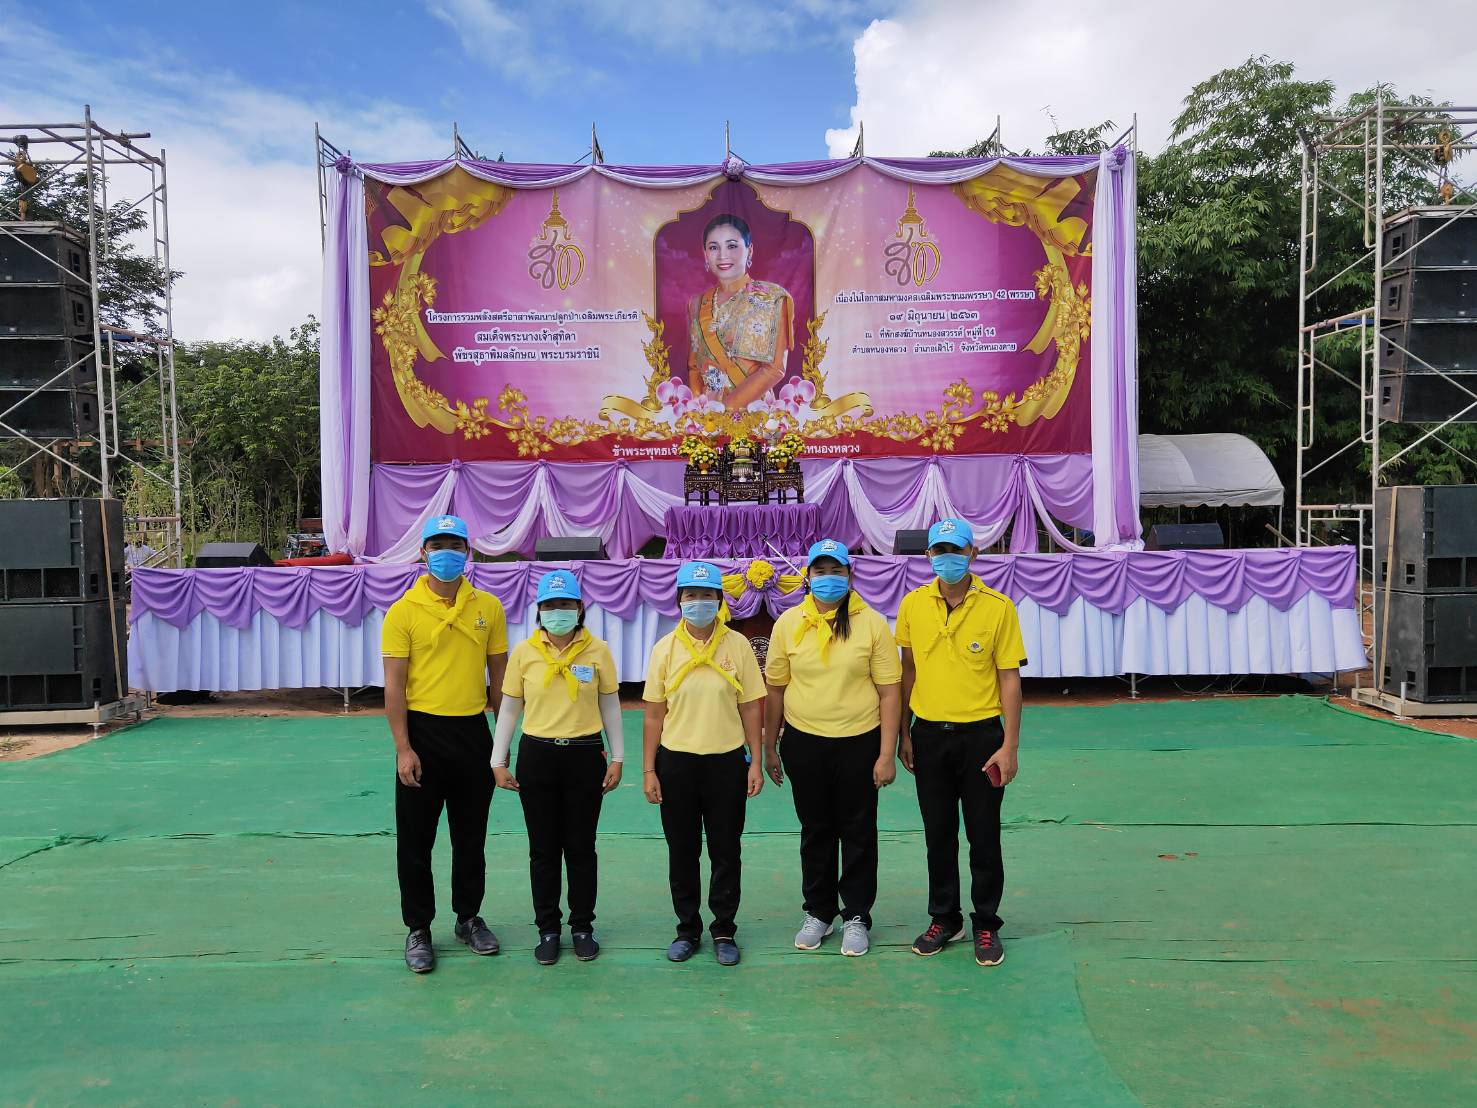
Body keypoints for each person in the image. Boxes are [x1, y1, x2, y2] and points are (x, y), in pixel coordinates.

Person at [895, 517, 1025, 968]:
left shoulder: (999, 607)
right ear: (928, 555)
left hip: (982, 737)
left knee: (984, 834)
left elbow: (1010, 679)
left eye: (955, 549)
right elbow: (908, 670)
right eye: (939, 550)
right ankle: (944, 917)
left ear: (973, 553)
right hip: (929, 735)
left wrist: (1010, 745)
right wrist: (904, 731)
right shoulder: (913, 604)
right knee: (938, 834)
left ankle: (986, 921)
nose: (946, 558)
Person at [381, 514, 508, 974]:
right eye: (438, 545)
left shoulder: (488, 607)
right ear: (423, 552)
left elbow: (500, 680)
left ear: (468, 553)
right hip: (423, 734)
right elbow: (394, 686)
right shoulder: (403, 611)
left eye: (455, 545)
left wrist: (503, 743)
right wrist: (403, 748)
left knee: (470, 837)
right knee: (416, 840)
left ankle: (468, 917)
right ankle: (418, 927)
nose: (446, 554)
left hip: (473, 733)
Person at [763, 539, 901, 958]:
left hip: (860, 740)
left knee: (858, 830)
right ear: (808, 577)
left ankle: (856, 915)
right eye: (820, 572)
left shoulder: (871, 623)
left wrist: (886, 753)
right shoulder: (788, 623)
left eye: (836, 571)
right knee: (815, 829)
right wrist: (770, 745)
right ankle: (819, 912)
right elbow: (775, 688)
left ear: (850, 575)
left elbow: (889, 692)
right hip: (804, 741)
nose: (828, 579)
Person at [491, 570, 624, 966]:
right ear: (539, 610)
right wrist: (498, 759)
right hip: (538, 755)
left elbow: (610, 705)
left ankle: (582, 926)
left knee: (581, 847)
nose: (558, 612)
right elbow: (510, 708)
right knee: (543, 849)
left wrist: (618, 756)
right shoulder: (524, 652)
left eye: (565, 604)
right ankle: (547, 928)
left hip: (585, 754)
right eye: (549, 605)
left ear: (580, 608)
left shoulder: (598, 650)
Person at [642, 560, 765, 966]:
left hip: (727, 762)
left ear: (720, 600)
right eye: (691, 595)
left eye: (707, 595)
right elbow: (654, 714)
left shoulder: (738, 645)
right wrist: (649, 769)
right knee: (683, 850)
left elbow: (751, 706)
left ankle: (724, 929)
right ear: (679, 600)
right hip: (676, 763)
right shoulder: (665, 648)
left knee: (726, 849)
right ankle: (687, 928)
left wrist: (755, 761)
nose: (699, 602)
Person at [686, 213, 794, 410]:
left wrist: (726, 410)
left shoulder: (772, 298)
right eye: (713, 247)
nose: (722, 255)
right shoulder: (696, 304)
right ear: (705, 254)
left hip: (754, 413)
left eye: (732, 245)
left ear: (749, 250)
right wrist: (700, 408)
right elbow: (694, 365)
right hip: (708, 417)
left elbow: (774, 369)